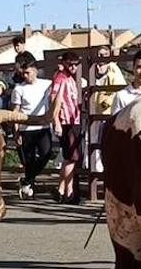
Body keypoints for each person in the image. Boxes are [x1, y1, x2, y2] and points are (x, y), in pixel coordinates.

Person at [10, 61, 53, 199]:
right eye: (23, 73)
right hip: (26, 128)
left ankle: (26, 181)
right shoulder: (19, 89)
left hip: (42, 126)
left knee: (46, 154)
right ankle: (29, 187)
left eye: (27, 72)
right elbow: (15, 111)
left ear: (35, 71)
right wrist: (16, 132)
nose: (25, 76)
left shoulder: (46, 84)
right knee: (28, 160)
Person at [51, 52, 86, 204]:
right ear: (64, 63)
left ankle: (63, 189)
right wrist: (56, 121)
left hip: (74, 120)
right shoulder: (60, 78)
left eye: (75, 64)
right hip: (66, 121)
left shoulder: (70, 79)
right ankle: (66, 191)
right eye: (70, 64)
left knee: (70, 158)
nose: (73, 67)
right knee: (71, 157)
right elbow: (54, 99)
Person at [89, 46, 127, 173]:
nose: (101, 57)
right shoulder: (92, 68)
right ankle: (95, 168)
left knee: (104, 141)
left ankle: (104, 169)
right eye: (99, 54)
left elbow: (117, 88)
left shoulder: (113, 70)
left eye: (104, 54)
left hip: (108, 112)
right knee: (93, 140)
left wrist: (107, 101)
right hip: (94, 111)